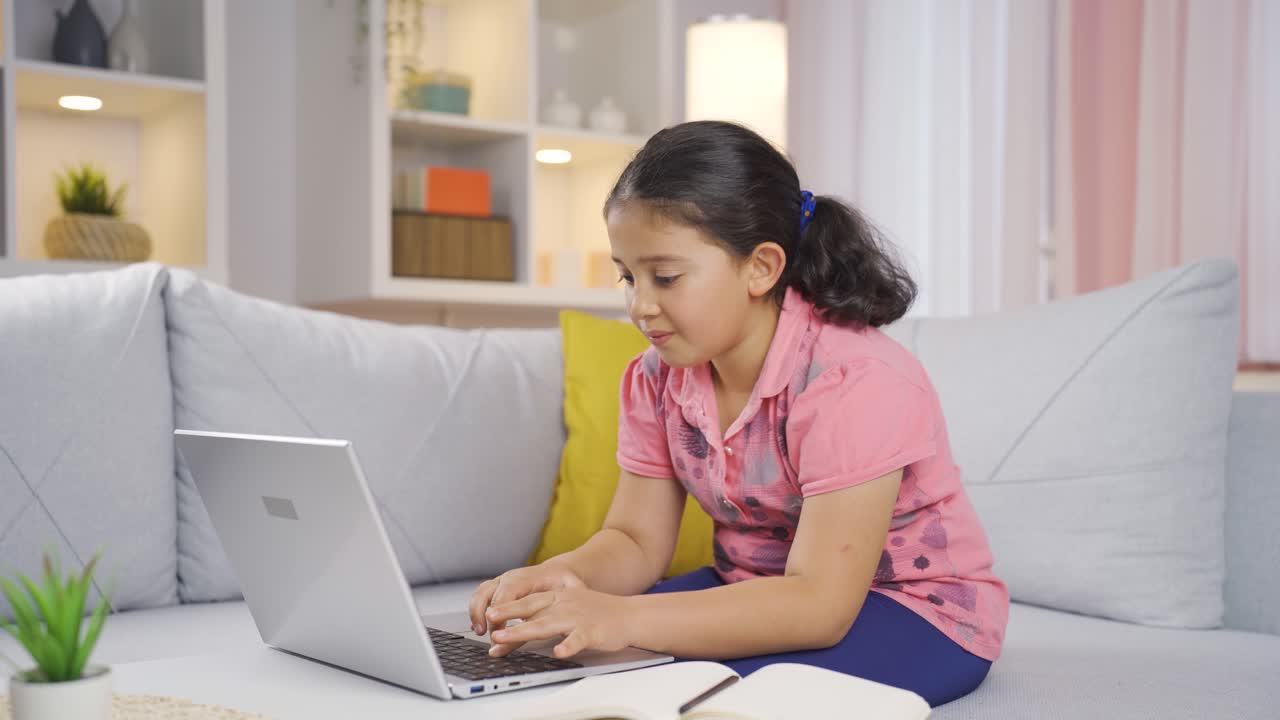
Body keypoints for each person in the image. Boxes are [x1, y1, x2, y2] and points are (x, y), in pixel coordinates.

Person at [467, 121, 1008, 707]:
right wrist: (566, 579)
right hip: (759, 590)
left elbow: (819, 605)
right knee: (577, 658)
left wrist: (621, 617)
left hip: (915, 610)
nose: (640, 305)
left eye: (666, 277)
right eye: (628, 276)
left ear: (761, 268)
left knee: (713, 697)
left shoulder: (854, 381)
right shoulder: (656, 378)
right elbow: (634, 540)